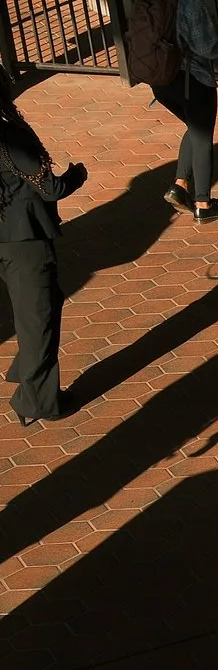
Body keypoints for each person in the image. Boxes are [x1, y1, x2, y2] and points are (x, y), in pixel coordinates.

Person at [0, 84, 90, 427]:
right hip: (25, 243)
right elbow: (49, 187)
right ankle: (34, 401)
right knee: (39, 320)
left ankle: (25, 372)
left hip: (6, 238)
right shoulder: (9, 137)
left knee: (45, 304)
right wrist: (76, 176)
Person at [143, 0, 218, 221]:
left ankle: (180, 185)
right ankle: (203, 204)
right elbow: (207, 48)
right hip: (194, 79)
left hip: (161, 79)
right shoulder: (190, 2)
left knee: (194, 126)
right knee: (203, 137)